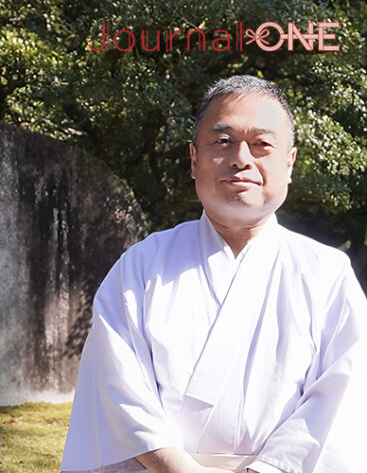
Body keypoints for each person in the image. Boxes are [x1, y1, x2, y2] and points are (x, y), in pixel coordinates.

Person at [60, 75, 367, 473]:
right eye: (223, 142)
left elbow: (344, 392)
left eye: (262, 144)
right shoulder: (142, 265)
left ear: (288, 163)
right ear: (193, 159)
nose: (241, 158)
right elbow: (116, 387)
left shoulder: (327, 273)